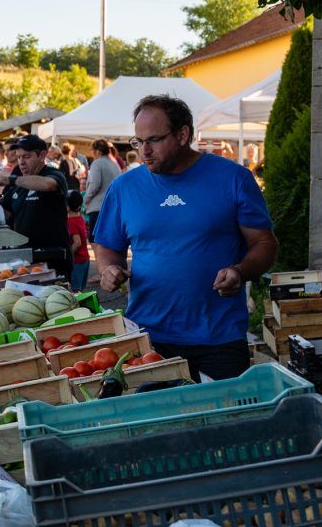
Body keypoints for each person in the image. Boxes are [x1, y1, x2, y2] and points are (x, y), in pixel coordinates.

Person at [94, 95, 278, 382]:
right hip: (148, 337)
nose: (144, 150)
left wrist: (240, 271)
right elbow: (107, 246)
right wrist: (109, 269)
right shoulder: (124, 187)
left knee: (225, 422)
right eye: (138, 141)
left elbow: (264, 244)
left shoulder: (233, 178)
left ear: (183, 135)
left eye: (154, 140)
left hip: (219, 338)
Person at [0, 135, 72, 279]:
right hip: (24, 259)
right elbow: (7, 214)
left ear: (42, 155)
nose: (21, 162)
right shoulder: (18, 183)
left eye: (26, 157)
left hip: (53, 258)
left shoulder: (54, 174)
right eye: (19, 157)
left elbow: (49, 184)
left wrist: (12, 179)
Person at [84, 139, 122, 244]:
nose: (91, 153)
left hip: (98, 207)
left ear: (98, 151)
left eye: (92, 150)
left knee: (96, 243)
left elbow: (94, 185)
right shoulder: (114, 163)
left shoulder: (97, 163)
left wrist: (85, 199)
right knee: (109, 243)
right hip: (113, 207)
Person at [66, 190, 90, 291]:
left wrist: (67, 255)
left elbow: (77, 242)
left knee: (76, 292)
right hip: (85, 259)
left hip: (77, 262)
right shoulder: (80, 218)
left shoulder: (70, 222)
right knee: (81, 290)